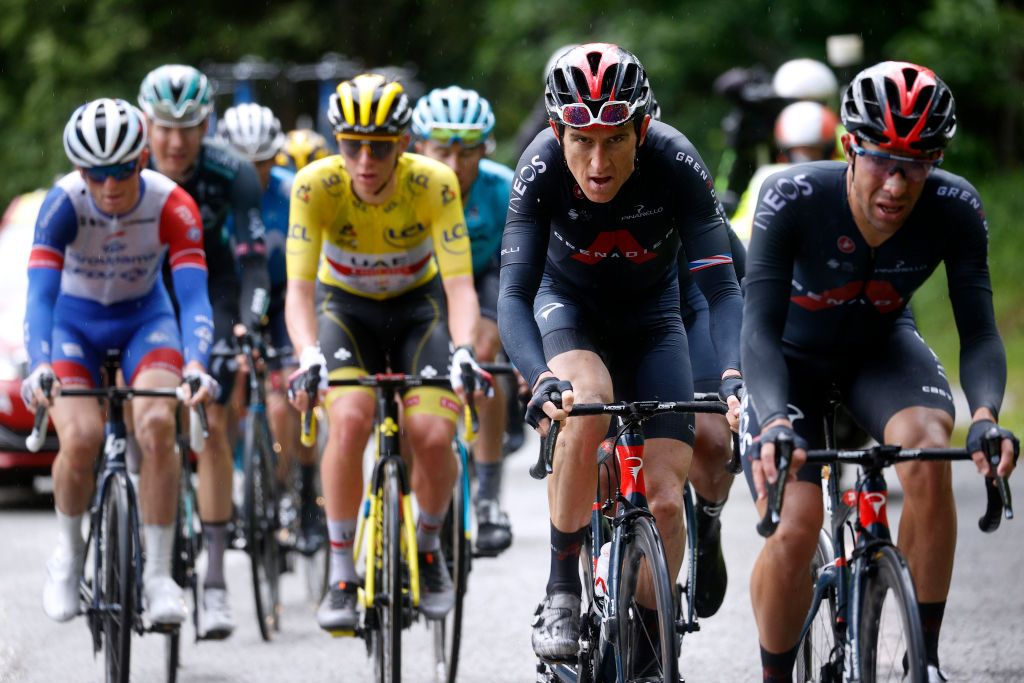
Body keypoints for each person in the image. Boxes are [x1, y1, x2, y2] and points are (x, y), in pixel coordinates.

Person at [740, 61, 1018, 682]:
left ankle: (924, 660)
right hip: (788, 361)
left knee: (926, 445)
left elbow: (978, 330)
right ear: (848, 147)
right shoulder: (791, 196)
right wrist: (776, 418)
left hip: (881, 349)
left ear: (937, 159)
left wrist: (984, 417)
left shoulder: (954, 206)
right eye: (881, 160)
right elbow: (754, 327)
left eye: (917, 163)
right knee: (796, 523)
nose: (896, 183)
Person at [497, 43, 744, 662]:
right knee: (588, 404)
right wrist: (538, 379)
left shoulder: (675, 160)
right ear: (558, 131)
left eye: (614, 138)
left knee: (664, 498)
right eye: (581, 139)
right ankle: (560, 591)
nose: (598, 160)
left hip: (654, 319)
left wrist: (740, 375)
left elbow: (721, 283)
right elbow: (513, 295)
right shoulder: (539, 167)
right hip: (570, 311)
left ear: (642, 127)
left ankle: (651, 644)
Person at [285, 73, 491, 631]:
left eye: (379, 147)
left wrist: (466, 348)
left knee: (430, 432)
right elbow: (299, 293)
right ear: (337, 143)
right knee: (348, 421)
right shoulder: (313, 186)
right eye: (352, 145)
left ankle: (428, 548)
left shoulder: (435, 182)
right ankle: (341, 572)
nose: (365, 160)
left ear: (403, 145)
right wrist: (307, 355)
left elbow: (460, 288)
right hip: (344, 312)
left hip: (416, 312)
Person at [22, 98, 217, 627]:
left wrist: (197, 364)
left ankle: (157, 575)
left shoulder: (171, 203)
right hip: (73, 326)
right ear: (80, 171)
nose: (110, 186)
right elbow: (38, 298)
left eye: (124, 170)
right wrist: (40, 364)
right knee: (80, 438)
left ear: (143, 157)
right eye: (96, 173)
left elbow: (194, 297)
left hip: (143, 321)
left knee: (157, 424)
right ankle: (67, 554)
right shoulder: (62, 204)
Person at [138, 64, 271, 639]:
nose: (173, 141)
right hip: (139, 293)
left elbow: (253, 263)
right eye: (163, 127)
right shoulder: (124, 164)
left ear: (205, 125)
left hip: (210, 294)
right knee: (142, 419)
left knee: (212, 419)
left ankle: (215, 583)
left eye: (187, 127)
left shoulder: (231, 172)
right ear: (145, 124)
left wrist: (246, 326)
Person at [411, 85, 515, 556]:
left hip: (485, 275)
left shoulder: (503, 186)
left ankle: (489, 490)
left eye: (467, 151)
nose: (455, 164)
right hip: (426, 280)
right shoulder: (407, 186)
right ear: (418, 148)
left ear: (484, 150)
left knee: (485, 354)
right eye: (442, 151)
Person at [216, 103, 324, 553]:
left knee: (285, 398)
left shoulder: (293, 192)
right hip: (230, 297)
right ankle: (234, 489)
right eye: (242, 162)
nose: (252, 173)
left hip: (282, 298)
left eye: (262, 163)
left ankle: (296, 489)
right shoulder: (213, 196)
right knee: (225, 388)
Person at [730, 100, 840, 243]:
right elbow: (743, 229)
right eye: (799, 152)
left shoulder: (840, 176)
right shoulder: (766, 176)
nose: (805, 160)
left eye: (813, 152)